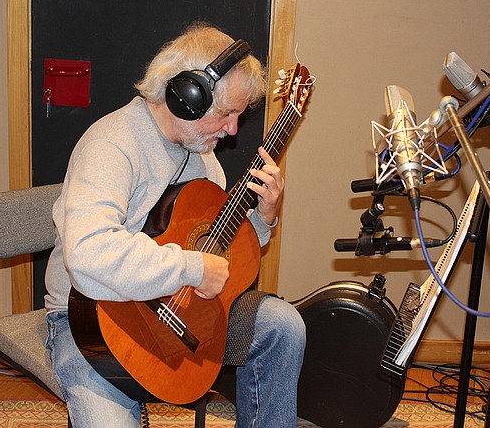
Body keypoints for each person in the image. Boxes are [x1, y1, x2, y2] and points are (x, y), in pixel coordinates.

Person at [44, 22, 306, 428]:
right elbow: (89, 253)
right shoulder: (111, 146)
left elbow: (220, 256)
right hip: (92, 321)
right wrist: (192, 267)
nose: (233, 129)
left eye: (239, 114)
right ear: (186, 98)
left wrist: (263, 219)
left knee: (283, 327)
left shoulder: (203, 158)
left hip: (174, 311)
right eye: (226, 113)